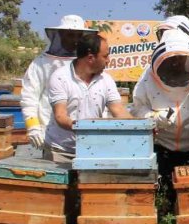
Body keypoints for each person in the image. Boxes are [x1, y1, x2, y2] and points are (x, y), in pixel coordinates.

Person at [131, 29, 189, 200]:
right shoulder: (147, 77)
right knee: (163, 198)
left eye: (181, 58)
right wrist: (153, 117)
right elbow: (137, 108)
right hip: (162, 147)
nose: (177, 63)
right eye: (172, 59)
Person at [44, 33, 131, 161]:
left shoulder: (106, 80)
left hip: (92, 150)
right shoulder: (60, 77)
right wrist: (79, 126)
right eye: (105, 56)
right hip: (60, 151)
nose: (108, 60)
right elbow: (60, 116)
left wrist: (143, 127)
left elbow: (119, 111)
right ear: (91, 58)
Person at [21, 15, 97, 150]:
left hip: (85, 137)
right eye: (70, 35)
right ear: (60, 34)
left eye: (78, 36)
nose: (75, 40)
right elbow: (29, 97)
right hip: (49, 135)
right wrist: (33, 125)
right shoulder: (41, 63)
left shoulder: (89, 63)